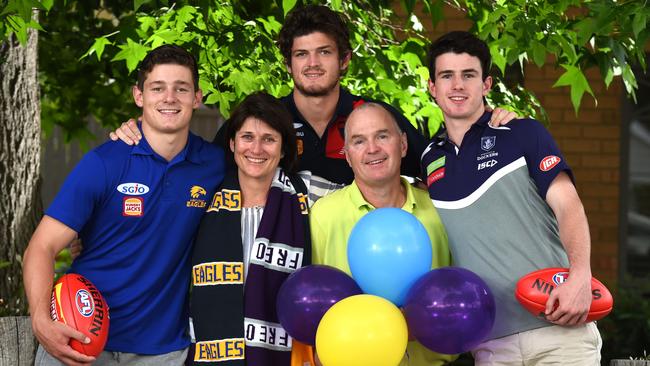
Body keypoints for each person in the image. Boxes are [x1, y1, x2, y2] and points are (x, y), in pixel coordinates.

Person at [111, 5, 517, 185]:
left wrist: (489, 123)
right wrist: (140, 132)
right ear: (288, 63)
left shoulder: (375, 119)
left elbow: (440, 170)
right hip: (277, 275)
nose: (312, 64)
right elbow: (196, 171)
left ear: (344, 60)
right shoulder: (262, 123)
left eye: (324, 52)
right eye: (301, 54)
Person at [23, 45, 226, 366]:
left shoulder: (216, 165)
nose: (169, 98)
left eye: (181, 88)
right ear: (139, 96)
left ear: (197, 98)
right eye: (157, 88)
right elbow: (41, 247)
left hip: (161, 350)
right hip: (77, 336)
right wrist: (40, 319)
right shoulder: (105, 162)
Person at [421, 31, 601, 364]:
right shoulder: (428, 157)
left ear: (486, 84)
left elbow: (569, 205)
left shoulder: (522, 132)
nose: (457, 85)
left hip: (558, 329)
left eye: (469, 75)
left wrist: (580, 276)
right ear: (432, 87)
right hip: (490, 343)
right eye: (447, 76)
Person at [188, 92, 340, 365]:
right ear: (232, 143)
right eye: (247, 137)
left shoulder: (308, 193)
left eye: (269, 139)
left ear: (283, 148)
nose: (256, 149)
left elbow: (364, 194)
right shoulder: (202, 195)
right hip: (208, 349)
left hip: (288, 353)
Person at [309, 102, 455, 366]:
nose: (372, 149)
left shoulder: (440, 211)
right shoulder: (323, 216)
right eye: (359, 141)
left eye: (382, 136)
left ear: (403, 144)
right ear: (348, 155)